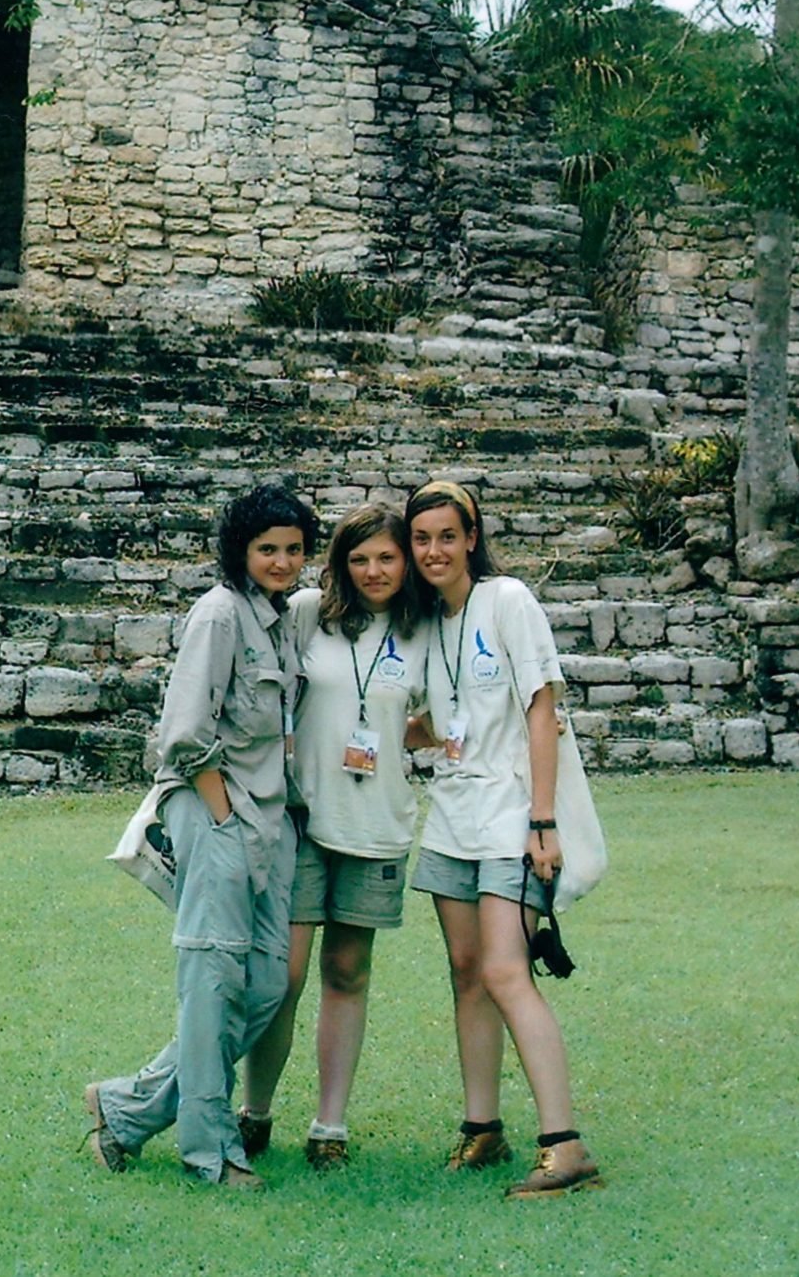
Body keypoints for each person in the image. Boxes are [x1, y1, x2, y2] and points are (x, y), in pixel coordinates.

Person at [83, 482, 317, 1191]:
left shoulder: (278, 620)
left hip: (271, 823)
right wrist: (222, 820)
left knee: (269, 983)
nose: (282, 561)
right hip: (219, 815)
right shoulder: (218, 615)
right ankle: (209, 1152)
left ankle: (127, 1107)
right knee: (213, 983)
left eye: (294, 549)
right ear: (240, 550)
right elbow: (183, 734)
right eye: (267, 548)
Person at [404, 479, 601, 1199]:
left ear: (472, 537)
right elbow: (435, 721)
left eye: (447, 536)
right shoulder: (426, 622)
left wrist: (542, 821)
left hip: (512, 814)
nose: (434, 551)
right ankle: (481, 1127)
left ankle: (566, 1145)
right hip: (452, 814)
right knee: (465, 970)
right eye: (421, 538)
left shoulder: (508, 600)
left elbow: (541, 707)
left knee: (506, 971)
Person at [237, 502, 430, 1170]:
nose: (374, 570)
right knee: (280, 976)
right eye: (359, 557)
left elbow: (438, 717)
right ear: (340, 564)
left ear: (405, 562)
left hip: (377, 826)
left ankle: (329, 1127)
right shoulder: (308, 613)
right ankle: (254, 1111)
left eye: (386, 557)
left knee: (348, 972)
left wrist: (398, 738)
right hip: (303, 819)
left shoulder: (424, 630)